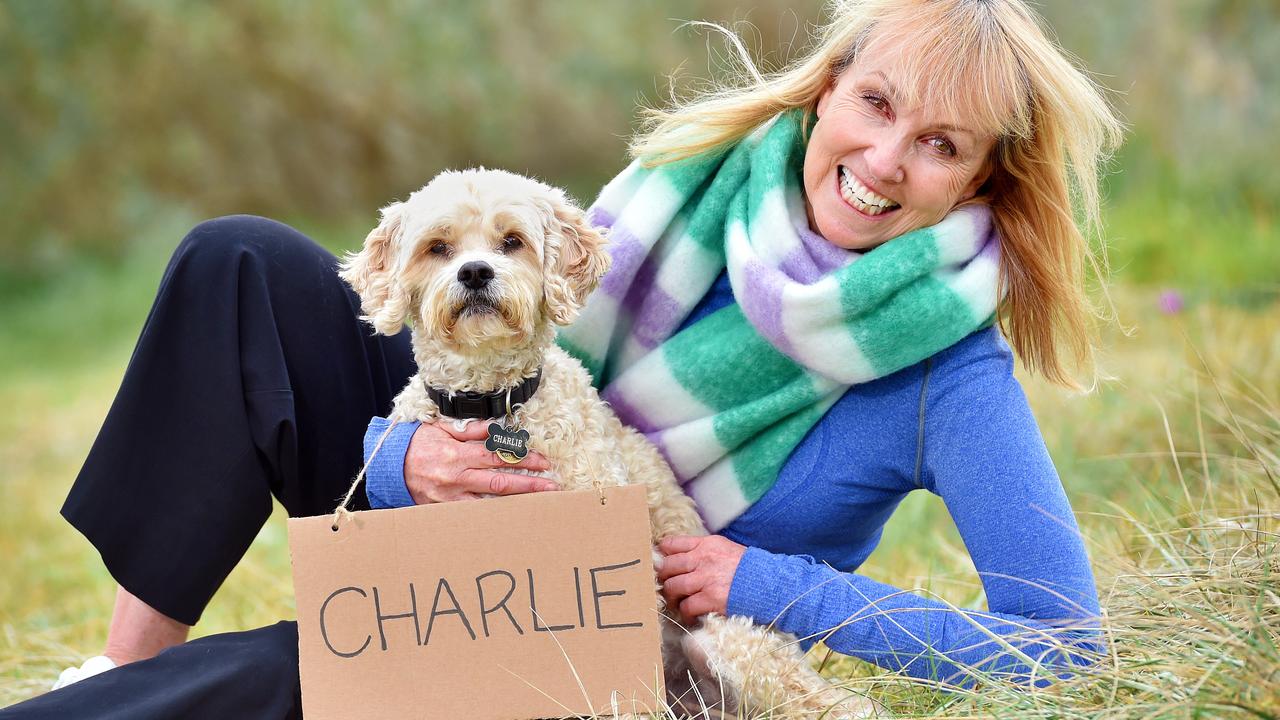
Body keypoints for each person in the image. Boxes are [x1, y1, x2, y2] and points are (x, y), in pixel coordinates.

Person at [2, 0, 1123, 716]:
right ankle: (126, 666)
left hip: (627, 632)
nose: (883, 159)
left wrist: (769, 587)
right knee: (235, 262)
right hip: (485, 487)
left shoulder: (947, 372)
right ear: (826, 85)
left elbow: (1060, 645)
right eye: (875, 102)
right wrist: (399, 464)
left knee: (307, 671)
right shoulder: (683, 197)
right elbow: (498, 357)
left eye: (940, 146)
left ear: (979, 181)